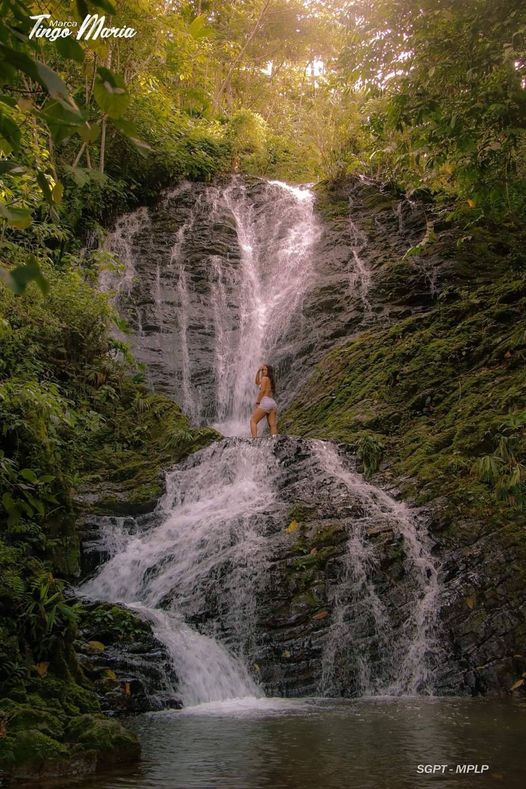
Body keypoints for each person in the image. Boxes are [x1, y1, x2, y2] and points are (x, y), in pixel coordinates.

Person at [250, 364, 278, 438]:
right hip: (272, 403)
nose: (263, 371)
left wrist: (258, 401)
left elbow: (262, 391)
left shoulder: (264, 378)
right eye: (262, 370)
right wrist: (258, 371)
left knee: (253, 421)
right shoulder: (269, 379)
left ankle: (254, 440)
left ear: (269, 371)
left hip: (265, 401)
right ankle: (274, 440)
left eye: (265, 370)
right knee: (272, 424)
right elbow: (256, 382)